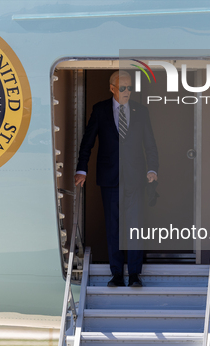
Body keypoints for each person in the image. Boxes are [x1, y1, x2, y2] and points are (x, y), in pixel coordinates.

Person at [75, 70, 158, 287]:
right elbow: (88, 141)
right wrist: (81, 169)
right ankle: (117, 274)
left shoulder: (141, 111)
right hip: (110, 178)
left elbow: (150, 144)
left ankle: (134, 275)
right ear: (112, 88)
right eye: (123, 88)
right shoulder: (100, 110)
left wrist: (153, 170)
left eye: (130, 87)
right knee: (113, 227)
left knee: (135, 227)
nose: (127, 92)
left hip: (135, 178)